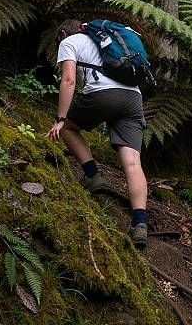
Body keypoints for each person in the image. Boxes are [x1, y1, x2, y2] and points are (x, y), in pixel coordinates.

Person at [46, 19, 148, 248]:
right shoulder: (103, 39)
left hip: (103, 94)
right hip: (133, 97)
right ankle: (140, 223)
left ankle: (92, 175)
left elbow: (69, 80)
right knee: (132, 162)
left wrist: (60, 119)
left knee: (70, 129)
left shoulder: (69, 41)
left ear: (62, 33)